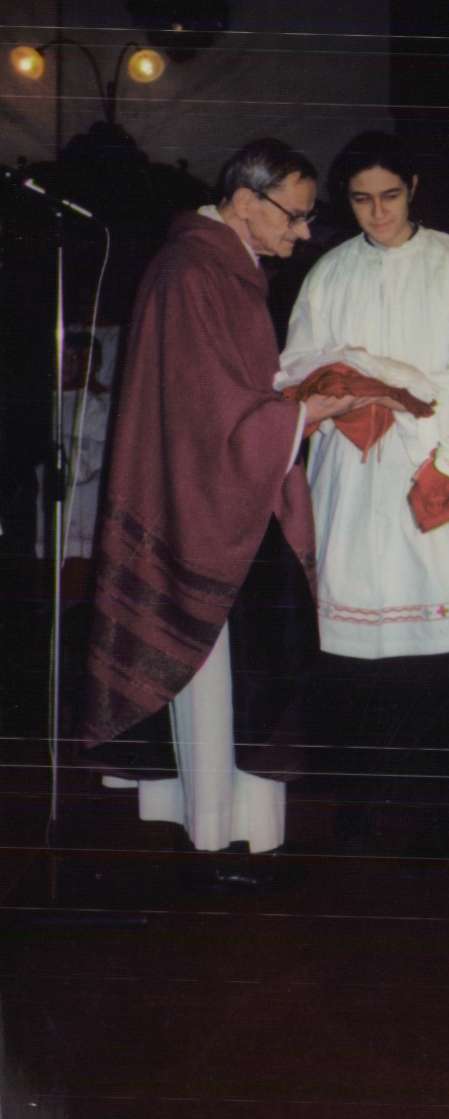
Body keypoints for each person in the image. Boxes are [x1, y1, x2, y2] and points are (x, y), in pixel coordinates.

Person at [81, 139, 355, 879]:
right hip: (208, 503)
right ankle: (215, 840)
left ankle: (247, 833)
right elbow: (208, 414)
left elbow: (230, 394)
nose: (303, 232)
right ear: (243, 202)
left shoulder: (223, 267)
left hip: (234, 489)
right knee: (218, 671)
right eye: (294, 215)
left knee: (250, 670)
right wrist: (303, 414)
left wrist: (295, 402)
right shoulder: (194, 270)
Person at [280, 131, 449, 859]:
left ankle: (436, 817)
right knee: (351, 659)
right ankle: (357, 803)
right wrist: (336, 389)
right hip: (351, 479)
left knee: (438, 661)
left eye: (389, 197)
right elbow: (297, 361)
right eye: (360, 201)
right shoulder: (330, 272)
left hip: (428, 472)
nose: (377, 214)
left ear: (413, 187)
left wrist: (404, 395)